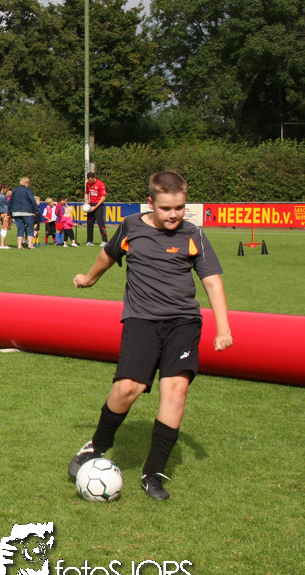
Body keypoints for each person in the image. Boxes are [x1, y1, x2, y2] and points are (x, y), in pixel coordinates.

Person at [68, 170, 232, 501]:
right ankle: (97, 445)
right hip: (141, 320)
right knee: (127, 387)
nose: (173, 215)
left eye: (179, 208)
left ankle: (153, 473)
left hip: (183, 323)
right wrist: (89, 278)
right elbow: (108, 254)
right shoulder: (131, 226)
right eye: (166, 208)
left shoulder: (193, 234)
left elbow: (212, 280)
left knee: (175, 393)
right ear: (150, 203)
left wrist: (224, 328)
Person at [9, 177, 39, 250]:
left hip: (16, 212)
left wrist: (10, 213)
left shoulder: (15, 190)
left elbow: (10, 202)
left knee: (20, 228)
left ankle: (19, 245)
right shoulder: (27, 190)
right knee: (30, 228)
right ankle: (30, 245)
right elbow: (32, 200)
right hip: (27, 212)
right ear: (26, 183)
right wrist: (36, 210)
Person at [84, 171, 108, 246]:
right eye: (89, 180)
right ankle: (89, 241)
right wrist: (86, 202)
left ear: (94, 178)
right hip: (91, 205)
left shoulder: (101, 184)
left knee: (100, 223)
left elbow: (103, 198)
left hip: (98, 205)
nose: (90, 182)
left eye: (91, 180)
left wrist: (96, 207)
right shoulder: (88, 184)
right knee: (89, 223)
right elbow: (86, 193)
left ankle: (105, 241)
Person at [0, 184, 11, 249]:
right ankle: (2, 244)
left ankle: (3, 244)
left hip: (1, 213)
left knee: (3, 228)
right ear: (3, 189)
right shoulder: (2, 197)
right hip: (5, 213)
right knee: (5, 228)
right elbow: (9, 203)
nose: (6, 190)